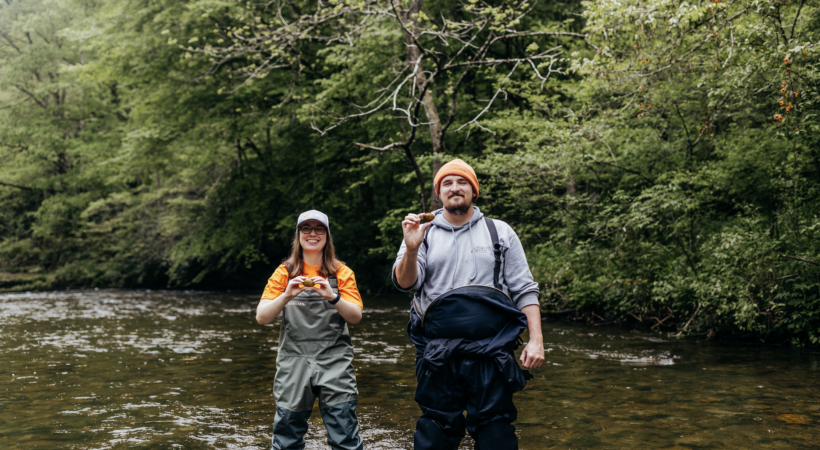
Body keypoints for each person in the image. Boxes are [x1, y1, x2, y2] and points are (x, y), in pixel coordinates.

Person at [393, 159, 545, 450]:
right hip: (436, 354)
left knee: (496, 431)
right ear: (439, 193)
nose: (455, 188)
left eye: (462, 182)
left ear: (474, 191)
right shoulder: (420, 233)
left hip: (492, 351)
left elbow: (525, 290)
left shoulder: (500, 232)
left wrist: (536, 340)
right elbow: (406, 283)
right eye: (447, 183)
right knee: (435, 431)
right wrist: (411, 249)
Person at [256, 210, 364, 450]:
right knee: (287, 437)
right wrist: (286, 295)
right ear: (298, 235)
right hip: (292, 362)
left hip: (335, 362)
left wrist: (332, 296)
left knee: (344, 435)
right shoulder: (284, 273)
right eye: (306, 228)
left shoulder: (342, 272)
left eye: (319, 229)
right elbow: (262, 317)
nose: (312, 234)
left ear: (327, 235)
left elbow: (355, 317)